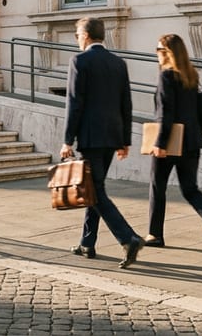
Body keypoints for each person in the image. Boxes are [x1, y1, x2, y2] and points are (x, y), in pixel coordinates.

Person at [61, 17, 146, 269]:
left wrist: (67, 140)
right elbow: (126, 104)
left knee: (94, 192)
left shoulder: (79, 61)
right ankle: (87, 242)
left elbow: (74, 104)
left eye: (77, 34)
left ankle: (128, 237)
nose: (76, 38)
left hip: (90, 137)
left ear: (86, 36)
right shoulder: (118, 63)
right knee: (93, 187)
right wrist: (125, 140)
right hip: (112, 136)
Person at [145, 33, 202, 256]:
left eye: (159, 50)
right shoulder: (191, 76)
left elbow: (166, 113)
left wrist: (160, 143)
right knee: (191, 190)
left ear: (168, 53)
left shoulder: (166, 76)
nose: (156, 54)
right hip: (193, 141)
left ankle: (155, 235)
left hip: (171, 142)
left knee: (157, 186)